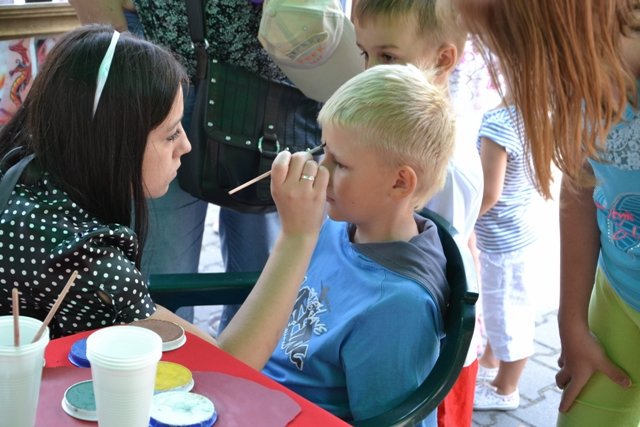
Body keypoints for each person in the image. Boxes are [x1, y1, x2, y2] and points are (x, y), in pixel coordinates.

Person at [0, 25, 329, 371]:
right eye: (171, 134)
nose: (186, 145)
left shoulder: (20, 167)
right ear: (115, 141)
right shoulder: (87, 263)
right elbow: (229, 366)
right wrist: (298, 235)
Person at [68, 0, 322, 328]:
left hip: (272, 77)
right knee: (160, 284)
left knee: (266, 278)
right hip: (162, 56)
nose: (184, 146)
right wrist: (123, 45)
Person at [453, 0, 640, 425]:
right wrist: (571, 321)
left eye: (519, 50)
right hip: (617, 295)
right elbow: (581, 185)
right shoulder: (584, 80)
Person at [262, 63, 455, 425]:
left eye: (340, 164)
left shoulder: (398, 306)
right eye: (323, 151)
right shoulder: (339, 225)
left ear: (399, 183)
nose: (321, 170)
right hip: (261, 392)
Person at [352, 1, 487, 425]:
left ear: (444, 59)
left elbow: (442, 270)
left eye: (388, 57)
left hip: (427, 358)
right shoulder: (396, 135)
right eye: (364, 54)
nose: (370, 73)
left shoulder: (445, 170)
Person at [473, 100, 540, 411]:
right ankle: (491, 360)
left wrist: (463, 221)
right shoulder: (535, 111)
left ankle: (505, 388)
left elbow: (489, 192)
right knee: (504, 308)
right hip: (518, 230)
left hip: (501, 240)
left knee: (508, 316)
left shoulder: (499, 124)